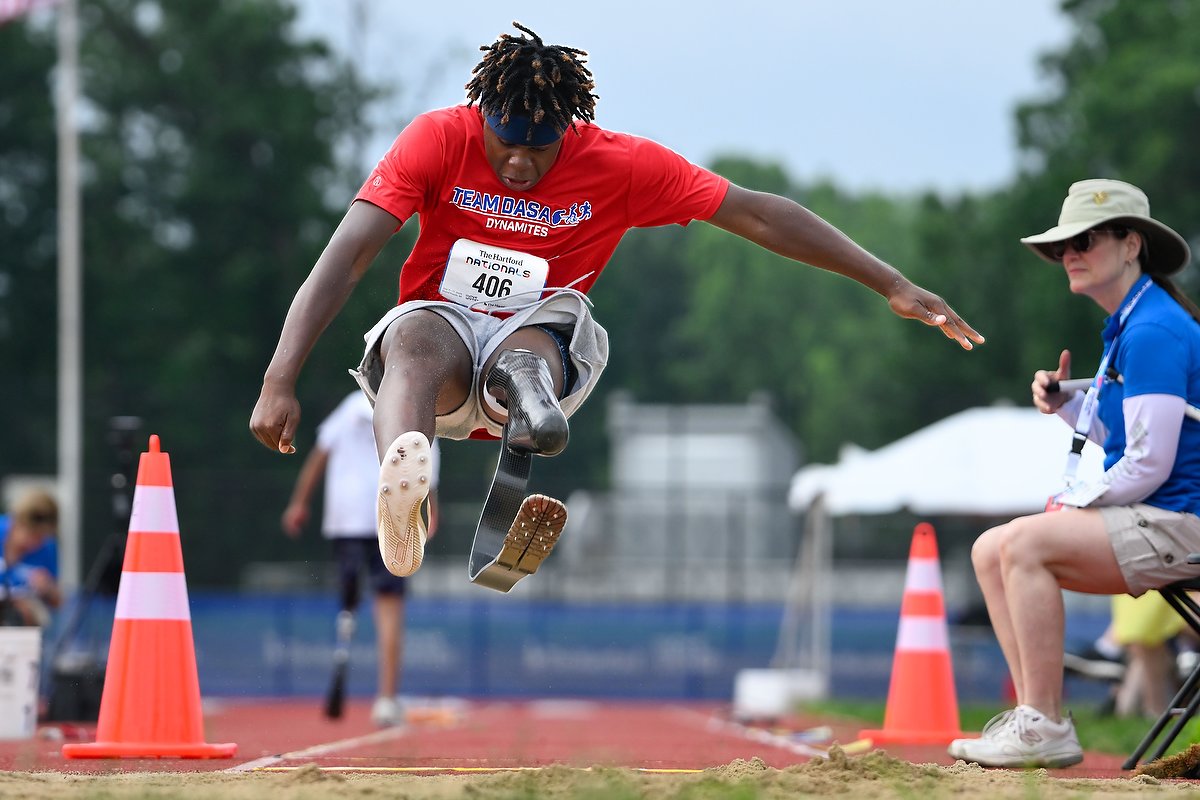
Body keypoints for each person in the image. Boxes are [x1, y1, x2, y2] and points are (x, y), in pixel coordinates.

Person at [250, 21, 984, 585]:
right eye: (504, 144)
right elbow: (349, 254)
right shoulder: (437, 140)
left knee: (532, 342)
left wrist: (890, 280)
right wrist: (280, 378)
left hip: (540, 337)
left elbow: (757, 212)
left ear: (568, 131)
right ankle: (404, 491)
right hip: (444, 336)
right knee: (410, 339)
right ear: (482, 118)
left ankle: (531, 409)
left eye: (537, 151)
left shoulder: (621, 165)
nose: (516, 165)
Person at [949, 178, 1200, 768]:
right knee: (991, 549)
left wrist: (1078, 500)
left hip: (1183, 521)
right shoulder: (1133, 324)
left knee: (1025, 544)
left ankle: (1044, 725)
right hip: (1167, 515)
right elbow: (1133, 441)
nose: (1069, 254)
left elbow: (1149, 463)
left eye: (1084, 240)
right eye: (1063, 245)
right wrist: (1067, 405)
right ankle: (1036, 718)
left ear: (1131, 244)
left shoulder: (1153, 329)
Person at [282, 391, 439, 726]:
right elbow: (425, 472)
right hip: (394, 520)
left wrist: (299, 502)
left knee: (348, 604)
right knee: (389, 605)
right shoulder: (416, 408)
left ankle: (346, 632)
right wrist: (431, 514)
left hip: (346, 517)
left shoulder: (351, 405)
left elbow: (320, 454)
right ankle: (386, 699)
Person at [0, 487, 61, 627]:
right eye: (33, 534)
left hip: (23, 621)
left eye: (41, 537)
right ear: (16, 522)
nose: (35, 543)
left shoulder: (47, 547)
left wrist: (47, 587)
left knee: (26, 612)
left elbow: (57, 601)